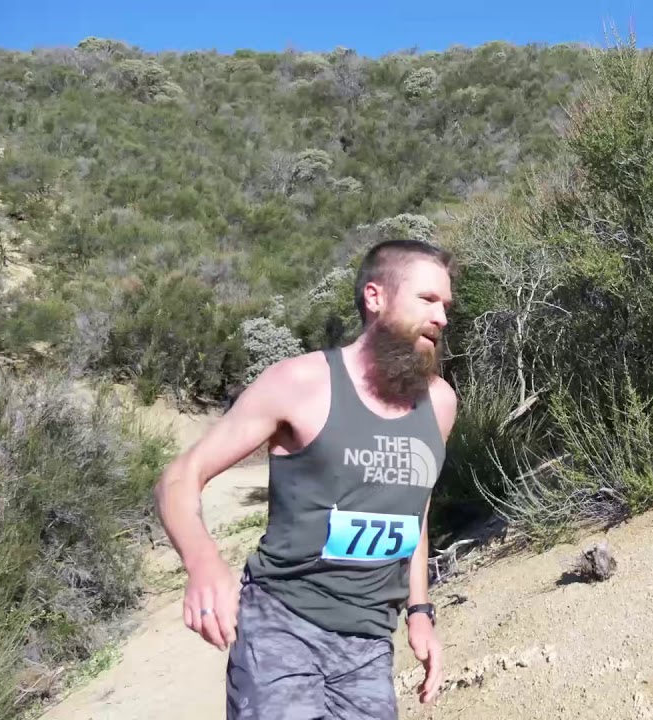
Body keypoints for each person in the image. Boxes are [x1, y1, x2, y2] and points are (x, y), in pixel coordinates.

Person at [154, 239, 457, 719]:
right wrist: (203, 562)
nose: (441, 317)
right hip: (282, 626)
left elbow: (413, 508)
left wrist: (419, 612)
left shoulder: (439, 403)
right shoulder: (299, 383)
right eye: (427, 299)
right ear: (375, 297)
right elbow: (180, 476)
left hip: (370, 641)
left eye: (445, 305)